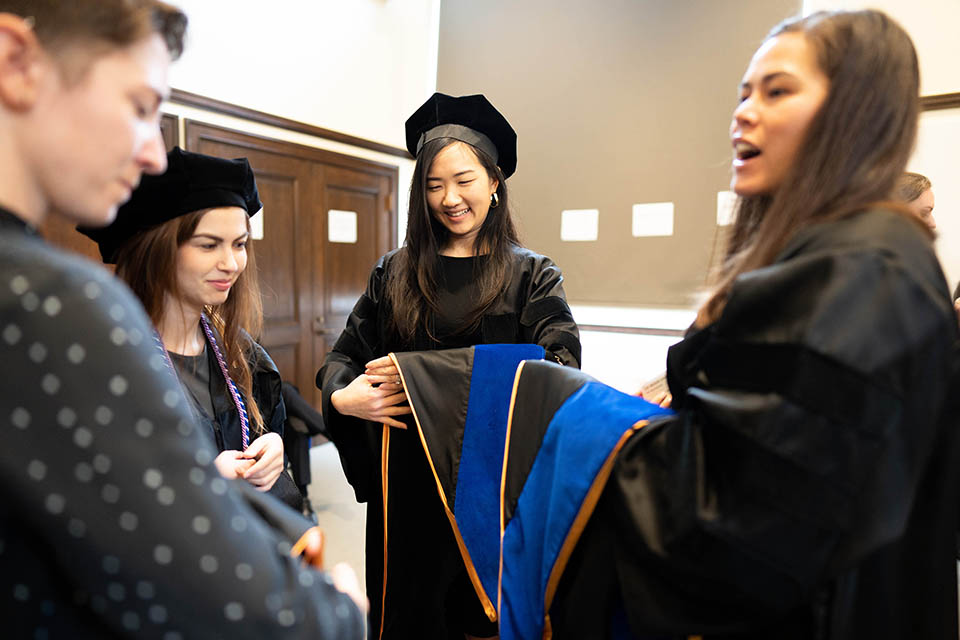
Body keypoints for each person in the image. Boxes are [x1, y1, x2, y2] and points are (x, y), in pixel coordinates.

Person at [524, 9, 959, 639]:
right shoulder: (831, 253)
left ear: (853, 109)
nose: (744, 113)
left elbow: (749, 519)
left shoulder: (866, 270)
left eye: (777, 91)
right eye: (743, 93)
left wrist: (576, 417)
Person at [0, 1, 365, 637]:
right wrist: (336, 613)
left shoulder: (241, 354)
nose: (150, 153)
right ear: (15, 62)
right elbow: (219, 594)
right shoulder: (56, 309)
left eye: (241, 244)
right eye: (140, 107)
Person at [317, 92, 581, 639]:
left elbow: (560, 366)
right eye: (434, 185)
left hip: (494, 484)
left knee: (484, 614)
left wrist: (421, 377)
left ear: (494, 181)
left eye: (464, 180)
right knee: (410, 614)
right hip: (407, 489)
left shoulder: (531, 276)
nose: (450, 199)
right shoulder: (394, 273)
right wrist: (344, 396)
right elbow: (343, 357)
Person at [79, 147, 304, 511]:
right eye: (208, 244)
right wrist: (199, 482)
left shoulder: (239, 350)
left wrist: (274, 448)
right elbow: (91, 500)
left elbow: (264, 428)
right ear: (157, 249)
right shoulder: (109, 362)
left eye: (240, 244)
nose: (231, 264)